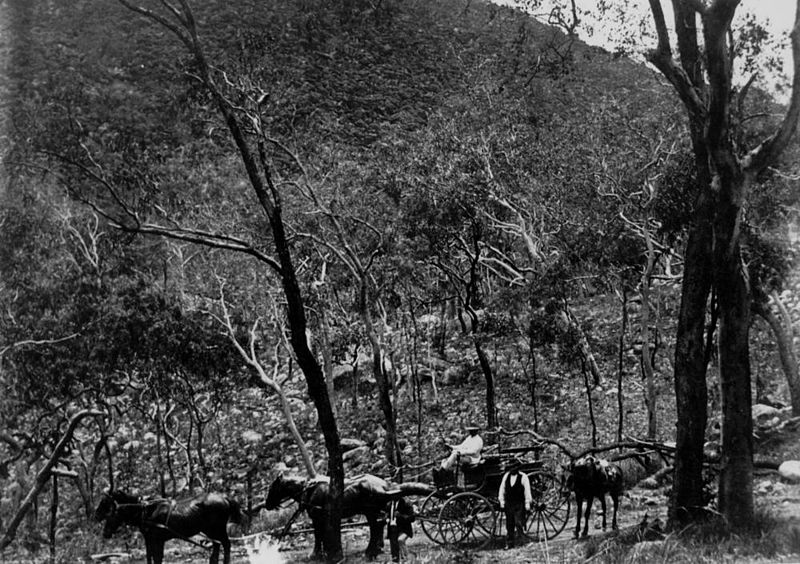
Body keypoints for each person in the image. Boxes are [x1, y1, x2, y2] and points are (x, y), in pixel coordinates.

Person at [498, 459, 532, 549]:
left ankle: (522, 541)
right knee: (509, 523)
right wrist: (501, 501)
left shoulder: (523, 477)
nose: (512, 469)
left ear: (518, 468)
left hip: (519, 503)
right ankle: (510, 543)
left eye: (514, 468)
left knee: (519, 522)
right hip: (509, 503)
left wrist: (527, 503)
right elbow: (502, 488)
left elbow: (527, 491)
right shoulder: (506, 476)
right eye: (511, 468)